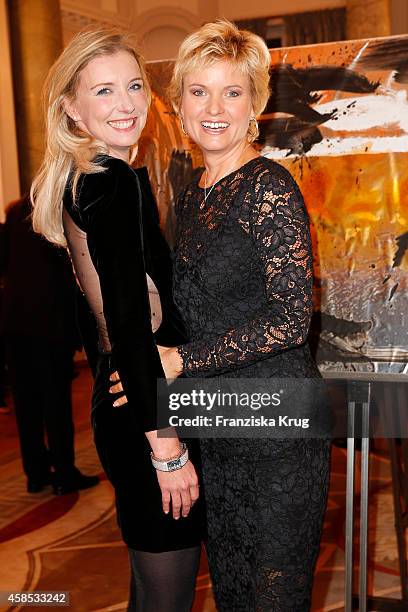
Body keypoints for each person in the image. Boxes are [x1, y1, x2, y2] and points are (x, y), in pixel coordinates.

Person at [31, 29, 205, 612]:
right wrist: (167, 448)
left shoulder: (82, 179)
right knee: (166, 602)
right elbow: (128, 326)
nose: (127, 103)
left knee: (150, 595)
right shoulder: (112, 181)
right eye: (104, 91)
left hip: (125, 405)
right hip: (148, 417)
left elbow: (103, 326)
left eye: (134, 86)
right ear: (71, 108)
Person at [164, 20, 331, 611]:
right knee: (234, 593)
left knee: (272, 597)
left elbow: (290, 319)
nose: (215, 108)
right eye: (200, 91)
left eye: (232, 92)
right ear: (179, 103)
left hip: (277, 433)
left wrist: (184, 359)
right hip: (217, 428)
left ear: (254, 104)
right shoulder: (193, 194)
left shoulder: (269, 186)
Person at [0, 195, 99, 494]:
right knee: (56, 403)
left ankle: (36, 473)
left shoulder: (15, 212)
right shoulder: (58, 213)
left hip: (15, 324)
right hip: (50, 325)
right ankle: (64, 474)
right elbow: (72, 274)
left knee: (26, 404)